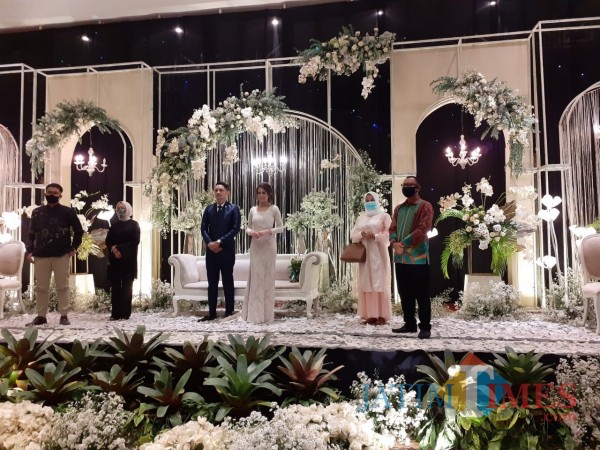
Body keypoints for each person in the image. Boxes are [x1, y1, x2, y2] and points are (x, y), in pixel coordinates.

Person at [25, 182, 84, 326]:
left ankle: (64, 315)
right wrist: (29, 251)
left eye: (55, 193)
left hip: (61, 254)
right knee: (41, 287)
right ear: (45, 194)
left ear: (60, 195)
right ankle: (41, 316)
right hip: (41, 255)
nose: (52, 195)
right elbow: (31, 233)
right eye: (49, 192)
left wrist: (74, 247)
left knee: (63, 286)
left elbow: (79, 231)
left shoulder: (68, 212)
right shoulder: (37, 212)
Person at [389, 176, 434, 339]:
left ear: (417, 188)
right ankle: (409, 324)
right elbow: (392, 228)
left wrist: (403, 243)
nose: (407, 187)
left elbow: (423, 229)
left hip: (418, 259)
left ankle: (425, 327)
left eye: (410, 184)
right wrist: (394, 242)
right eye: (405, 184)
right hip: (400, 258)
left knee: (421, 295)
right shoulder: (399, 208)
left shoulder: (425, 206)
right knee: (405, 293)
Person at [240, 183, 284, 323]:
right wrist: (251, 232)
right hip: (256, 247)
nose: (261, 195)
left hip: (269, 247)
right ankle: (254, 315)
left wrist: (268, 231)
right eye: (259, 193)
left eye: (264, 193)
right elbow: (247, 227)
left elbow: (281, 227)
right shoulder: (253, 210)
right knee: (256, 278)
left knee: (267, 279)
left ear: (269, 194)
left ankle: (266, 315)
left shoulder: (274, 209)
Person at [199, 181, 241, 321]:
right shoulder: (209, 209)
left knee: (227, 281)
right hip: (211, 251)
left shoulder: (233, 209)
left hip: (226, 250)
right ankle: (211, 313)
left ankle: (229, 312)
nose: (218, 192)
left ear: (227, 192)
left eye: (221, 190)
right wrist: (209, 243)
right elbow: (203, 228)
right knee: (212, 282)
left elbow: (235, 229)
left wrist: (219, 241)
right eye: (216, 190)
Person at [350, 192, 393, 325]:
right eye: (367, 200)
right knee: (366, 282)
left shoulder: (384, 216)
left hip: (379, 254)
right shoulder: (361, 218)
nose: (369, 202)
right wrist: (362, 234)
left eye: (372, 199)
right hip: (365, 254)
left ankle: (381, 315)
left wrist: (375, 236)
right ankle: (370, 315)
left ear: (377, 200)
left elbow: (390, 234)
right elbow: (353, 235)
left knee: (379, 282)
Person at [105, 201, 140, 321]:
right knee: (115, 287)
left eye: (123, 208)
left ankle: (125, 314)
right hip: (115, 260)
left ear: (128, 209)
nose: (120, 210)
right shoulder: (114, 225)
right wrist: (114, 249)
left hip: (128, 260)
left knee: (127, 287)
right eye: (118, 208)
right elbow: (108, 241)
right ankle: (115, 313)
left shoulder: (134, 224)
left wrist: (120, 248)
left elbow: (135, 241)